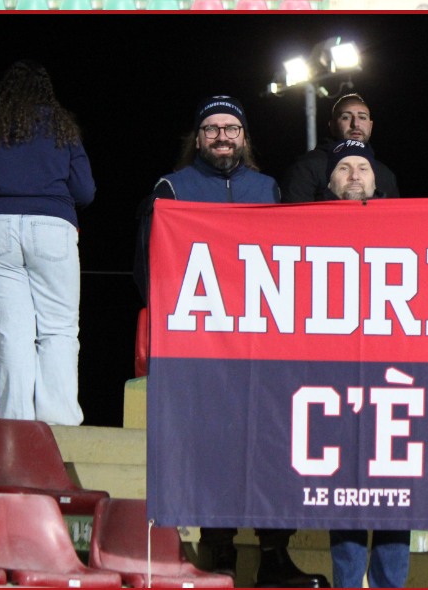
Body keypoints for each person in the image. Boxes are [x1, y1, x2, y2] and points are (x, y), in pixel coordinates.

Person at [134, 97, 315, 590]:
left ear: (243, 137)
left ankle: (275, 554)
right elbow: (148, 267)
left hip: (261, 347)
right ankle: (219, 551)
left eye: (230, 129)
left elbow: (287, 261)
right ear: (197, 138)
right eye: (211, 129)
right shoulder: (173, 188)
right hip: (203, 348)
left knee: (272, 449)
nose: (221, 137)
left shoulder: (267, 188)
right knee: (215, 450)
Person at [0, 61, 95, 426]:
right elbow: (86, 190)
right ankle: (59, 426)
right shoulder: (63, 129)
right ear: (47, 93)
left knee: (13, 334)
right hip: (52, 228)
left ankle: (17, 427)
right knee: (58, 329)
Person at [312, 138, 410, 589]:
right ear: (330, 182)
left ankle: (391, 584)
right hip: (334, 381)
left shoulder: (405, 227)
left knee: (395, 491)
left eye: (363, 168)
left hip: (393, 381)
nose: (355, 175)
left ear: (376, 179)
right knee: (344, 489)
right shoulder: (307, 228)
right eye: (345, 168)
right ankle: (348, 583)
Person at [281, 93, 400, 204]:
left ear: (371, 126)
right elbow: (294, 218)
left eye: (362, 117)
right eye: (346, 117)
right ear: (332, 126)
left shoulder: (385, 174)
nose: (356, 124)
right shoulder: (307, 167)